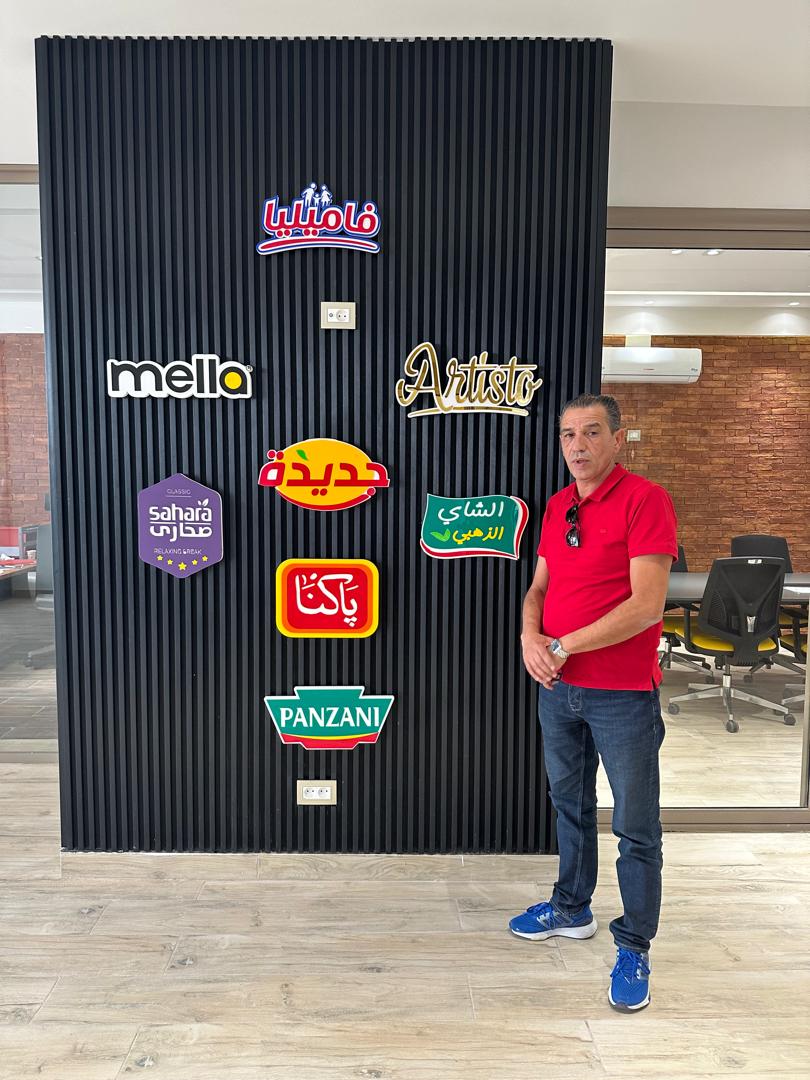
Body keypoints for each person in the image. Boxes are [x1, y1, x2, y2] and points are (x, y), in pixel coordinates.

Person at [509, 393, 677, 1012]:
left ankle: (634, 945)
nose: (577, 445)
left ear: (617, 438)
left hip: (622, 695)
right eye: (568, 435)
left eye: (591, 432)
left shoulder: (646, 500)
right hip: (559, 689)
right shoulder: (559, 506)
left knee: (636, 826)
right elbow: (539, 587)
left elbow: (646, 606)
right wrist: (530, 637)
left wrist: (560, 644)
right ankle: (571, 908)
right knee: (570, 806)